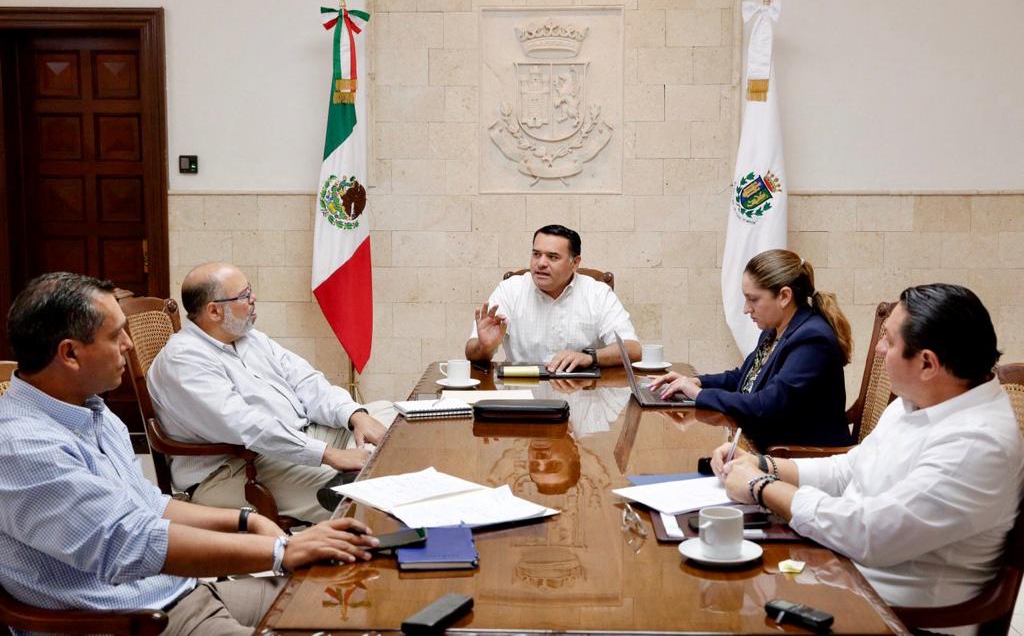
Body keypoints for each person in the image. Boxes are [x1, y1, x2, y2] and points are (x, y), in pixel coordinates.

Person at [0, 272, 379, 635]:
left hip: (180, 594)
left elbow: (150, 503)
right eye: (116, 336)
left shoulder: (94, 413)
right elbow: (131, 541)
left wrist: (246, 522)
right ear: (70, 354)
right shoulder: (23, 445)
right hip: (137, 621)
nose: (128, 346)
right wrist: (281, 550)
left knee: (356, 597)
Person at [711, 283, 1022, 618]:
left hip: (893, 616)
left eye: (888, 340)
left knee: (723, 603)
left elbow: (869, 532)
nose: (878, 349)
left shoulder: (977, 444)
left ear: (928, 364)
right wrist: (762, 464)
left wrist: (761, 487)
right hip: (844, 575)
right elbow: (850, 469)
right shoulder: (921, 401)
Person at [147, 262, 388, 523]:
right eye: (244, 295)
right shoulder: (184, 360)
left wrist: (355, 415)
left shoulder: (247, 337)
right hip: (236, 468)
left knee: (388, 413)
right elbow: (247, 426)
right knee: (370, 493)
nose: (254, 299)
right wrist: (328, 454)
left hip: (294, 440)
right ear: (214, 311)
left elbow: (306, 381)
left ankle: (359, 469)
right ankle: (355, 482)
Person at [651, 249, 852, 450]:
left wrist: (697, 394)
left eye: (753, 299)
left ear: (784, 296)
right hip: (765, 443)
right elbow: (744, 378)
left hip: (800, 457)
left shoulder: (812, 340)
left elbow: (766, 404)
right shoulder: (774, 331)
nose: (746, 309)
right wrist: (695, 382)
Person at [466, 224, 641, 372]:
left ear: (575, 263)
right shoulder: (510, 290)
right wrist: (485, 347)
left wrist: (589, 357)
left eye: (552, 257)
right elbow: (472, 353)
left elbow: (632, 350)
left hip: (583, 395)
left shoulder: (597, 293)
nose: (541, 263)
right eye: (536, 254)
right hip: (523, 396)